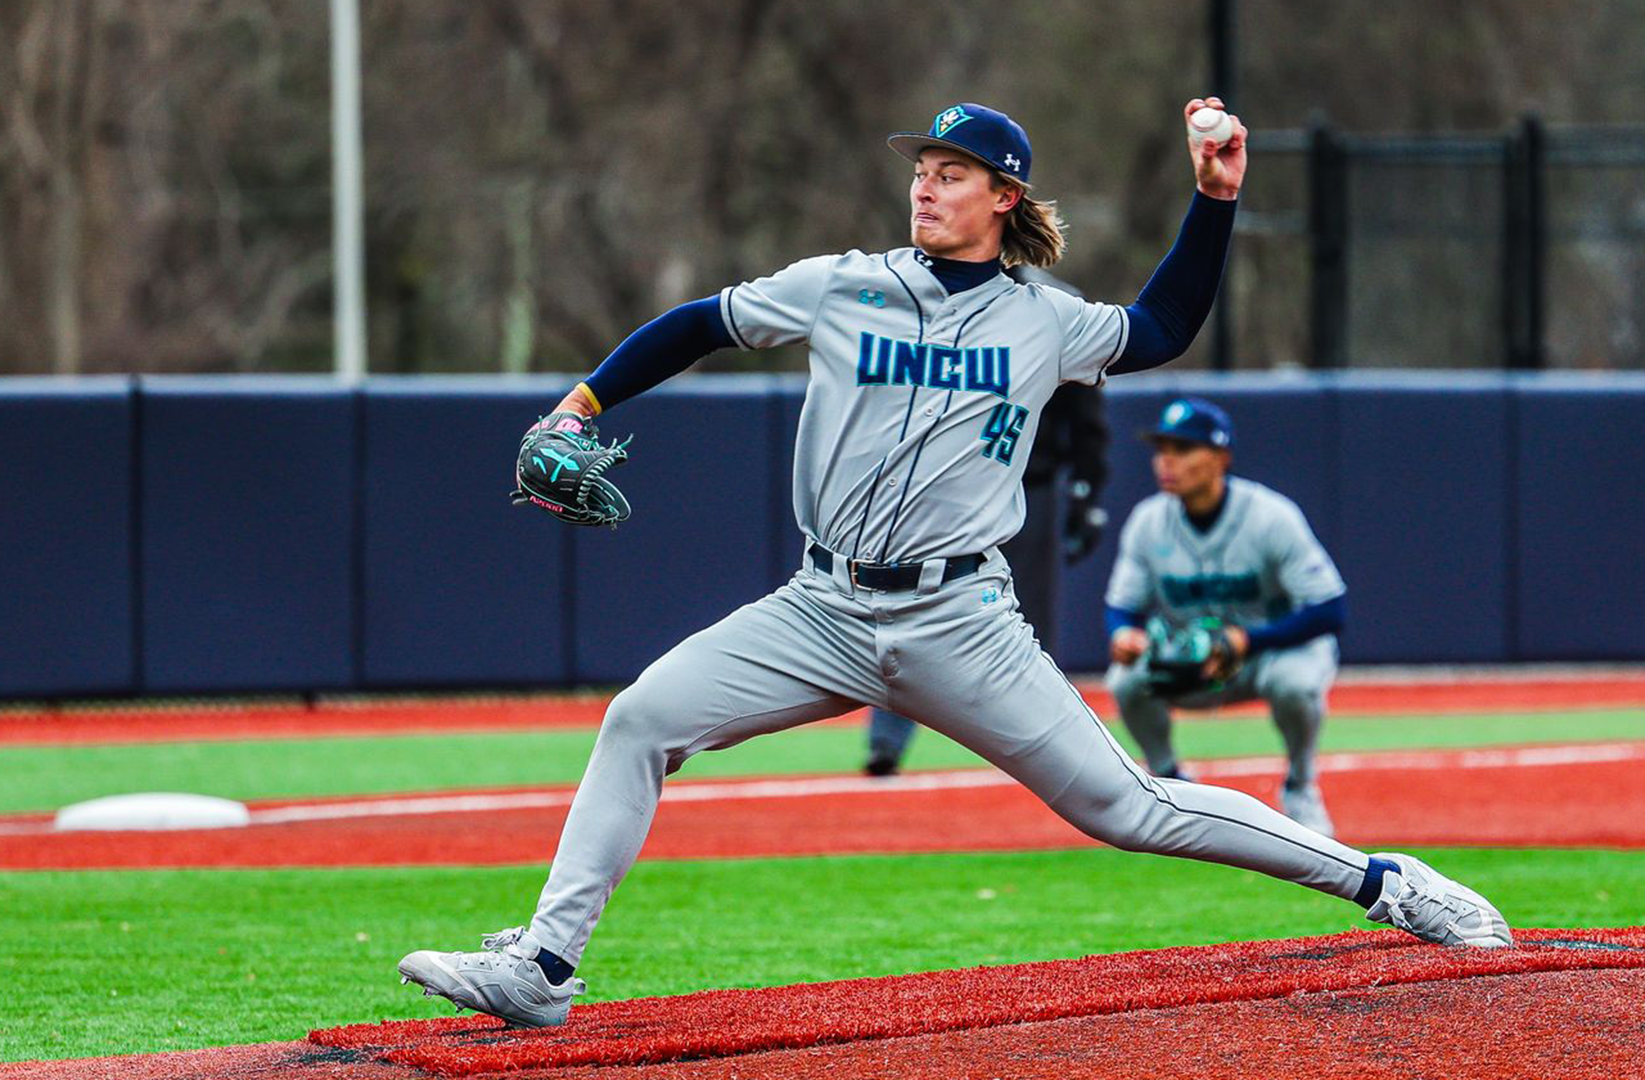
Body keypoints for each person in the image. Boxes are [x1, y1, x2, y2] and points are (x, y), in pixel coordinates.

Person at [397, 98, 1510, 1030]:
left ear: (1005, 198)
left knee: (1127, 809)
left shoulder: (1045, 322)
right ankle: (545, 967)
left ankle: (1388, 884)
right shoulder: (842, 282)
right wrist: (582, 401)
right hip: (819, 606)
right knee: (641, 718)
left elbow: (1164, 324)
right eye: (923, 168)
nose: (927, 187)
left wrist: (1216, 197)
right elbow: (699, 323)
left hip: (961, 620)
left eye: (954, 172)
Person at [864, 283, 1110, 778]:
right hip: (941, 484)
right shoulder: (929, 298)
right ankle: (887, 741)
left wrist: (1086, 489)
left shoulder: (1053, 308)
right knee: (904, 604)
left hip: (1027, 482)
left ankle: (1044, 743)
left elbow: (1088, 413)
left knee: (1028, 620)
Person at [1106, 397, 1346, 837]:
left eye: (1182, 449)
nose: (1167, 461)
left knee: (1295, 684)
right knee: (1125, 680)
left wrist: (1246, 642)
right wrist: (1123, 634)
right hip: (1194, 659)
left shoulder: (1271, 516)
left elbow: (1329, 609)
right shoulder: (1148, 521)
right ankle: (1170, 782)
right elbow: (1122, 605)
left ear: (1219, 458)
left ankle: (1300, 783)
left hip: (1266, 655)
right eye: (1162, 449)